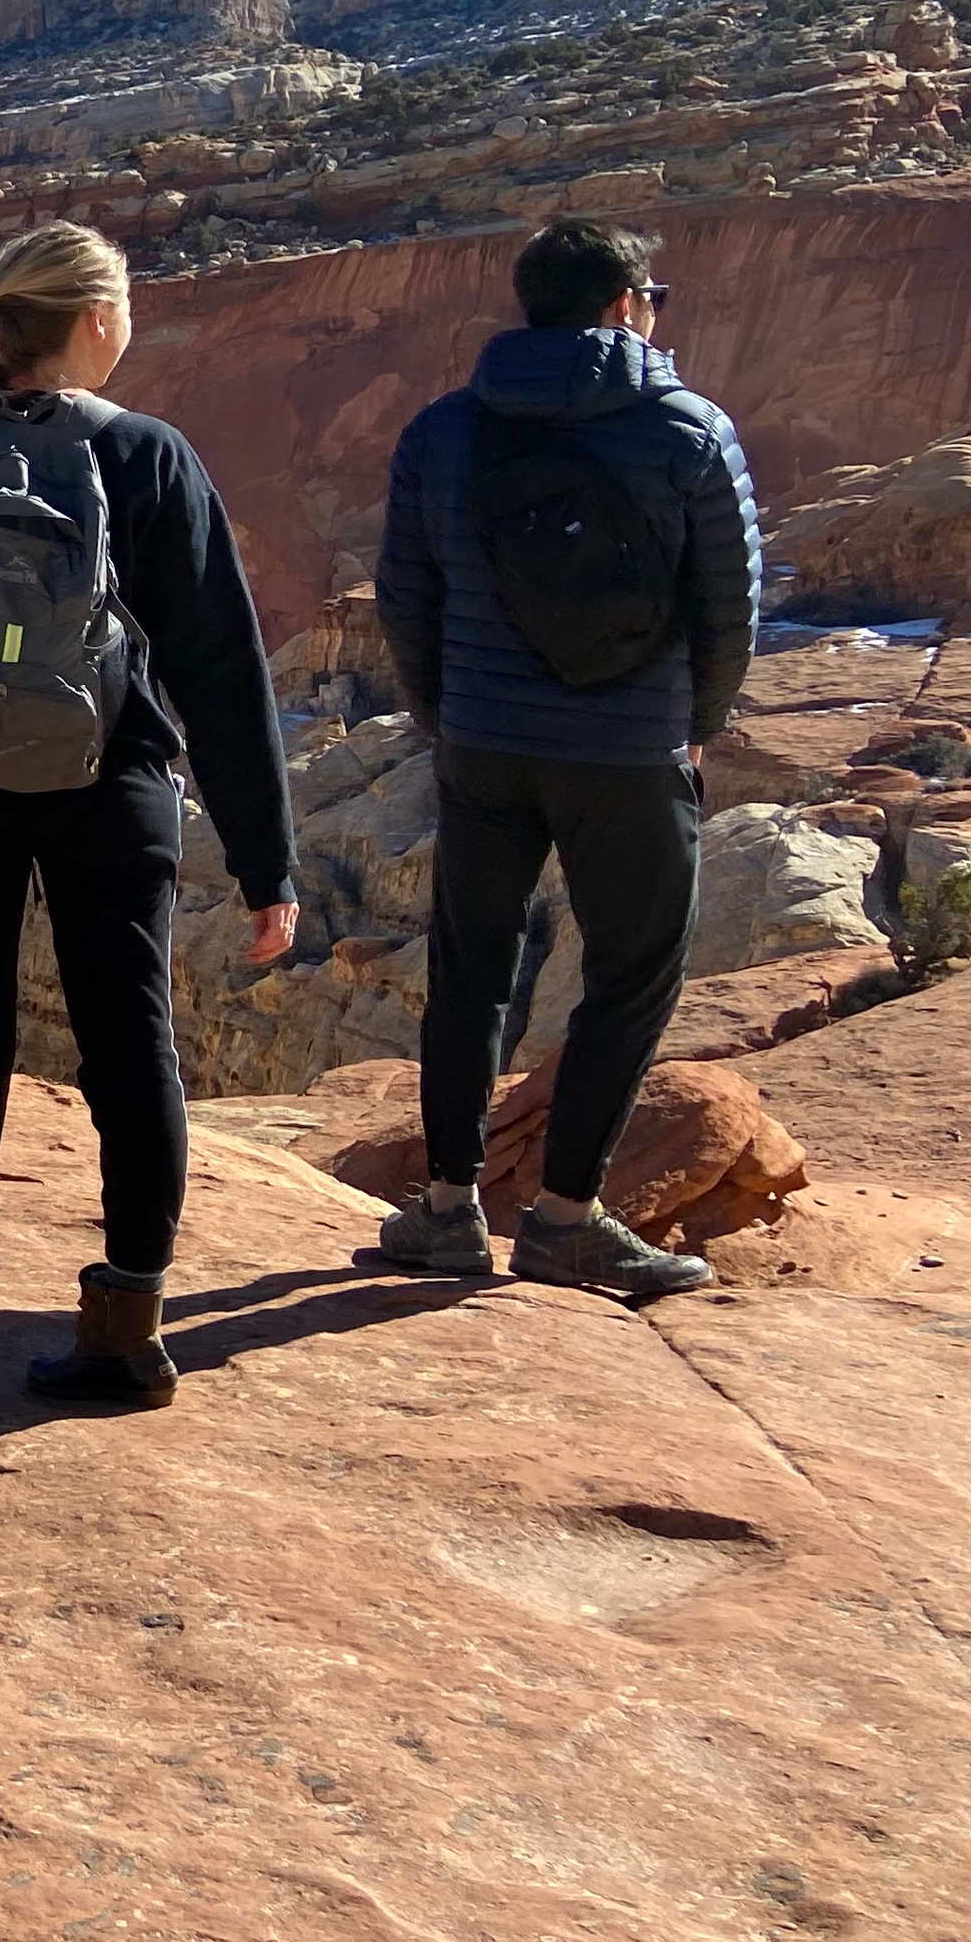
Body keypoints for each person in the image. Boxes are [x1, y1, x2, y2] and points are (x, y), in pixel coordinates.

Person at [0, 223, 298, 1421]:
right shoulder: (150, 456)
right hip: (115, 790)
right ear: (94, 323)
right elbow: (221, 670)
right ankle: (129, 1329)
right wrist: (268, 862)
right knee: (128, 1041)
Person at [371, 217, 758, 1301]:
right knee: (631, 975)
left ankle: (447, 1212)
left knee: (469, 973)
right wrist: (699, 721)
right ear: (625, 306)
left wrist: (447, 716)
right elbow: (730, 607)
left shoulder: (443, 432)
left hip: (487, 743)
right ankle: (566, 1220)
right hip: (629, 749)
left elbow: (407, 598)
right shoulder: (689, 430)